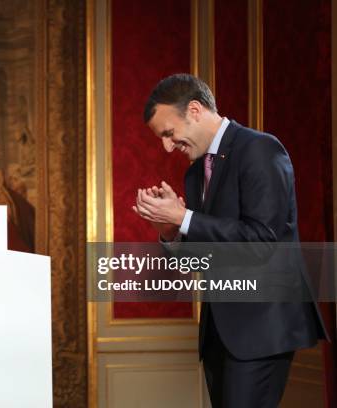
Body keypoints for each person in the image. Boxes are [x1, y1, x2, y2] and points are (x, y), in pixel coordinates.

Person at [133, 73, 326, 407]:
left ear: (194, 110)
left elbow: (262, 240)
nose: (167, 146)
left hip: (263, 330)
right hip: (220, 334)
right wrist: (170, 230)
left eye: (169, 133)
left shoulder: (260, 149)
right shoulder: (195, 171)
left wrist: (184, 217)